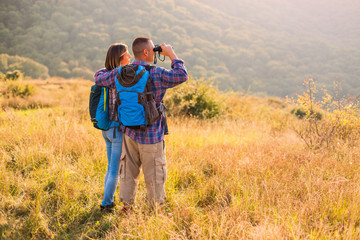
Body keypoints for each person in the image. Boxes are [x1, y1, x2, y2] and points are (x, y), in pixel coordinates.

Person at [94, 37, 188, 212]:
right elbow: (182, 75)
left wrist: (111, 67)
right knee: (154, 176)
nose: (154, 52)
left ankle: (127, 209)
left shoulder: (120, 72)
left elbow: (99, 79)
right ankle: (154, 211)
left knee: (128, 174)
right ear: (146, 52)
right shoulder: (157, 73)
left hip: (128, 133)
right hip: (152, 136)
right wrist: (171, 54)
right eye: (153, 49)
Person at [97, 43, 131, 212]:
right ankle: (106, 203)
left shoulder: (104, 74)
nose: (130, 58)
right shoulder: (121, 75)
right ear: (120, 58)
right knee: (114, 171)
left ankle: (107, 199)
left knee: (110, 168)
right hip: (117, 129)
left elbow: (98, 77)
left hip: (106, 128)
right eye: (127, 55)